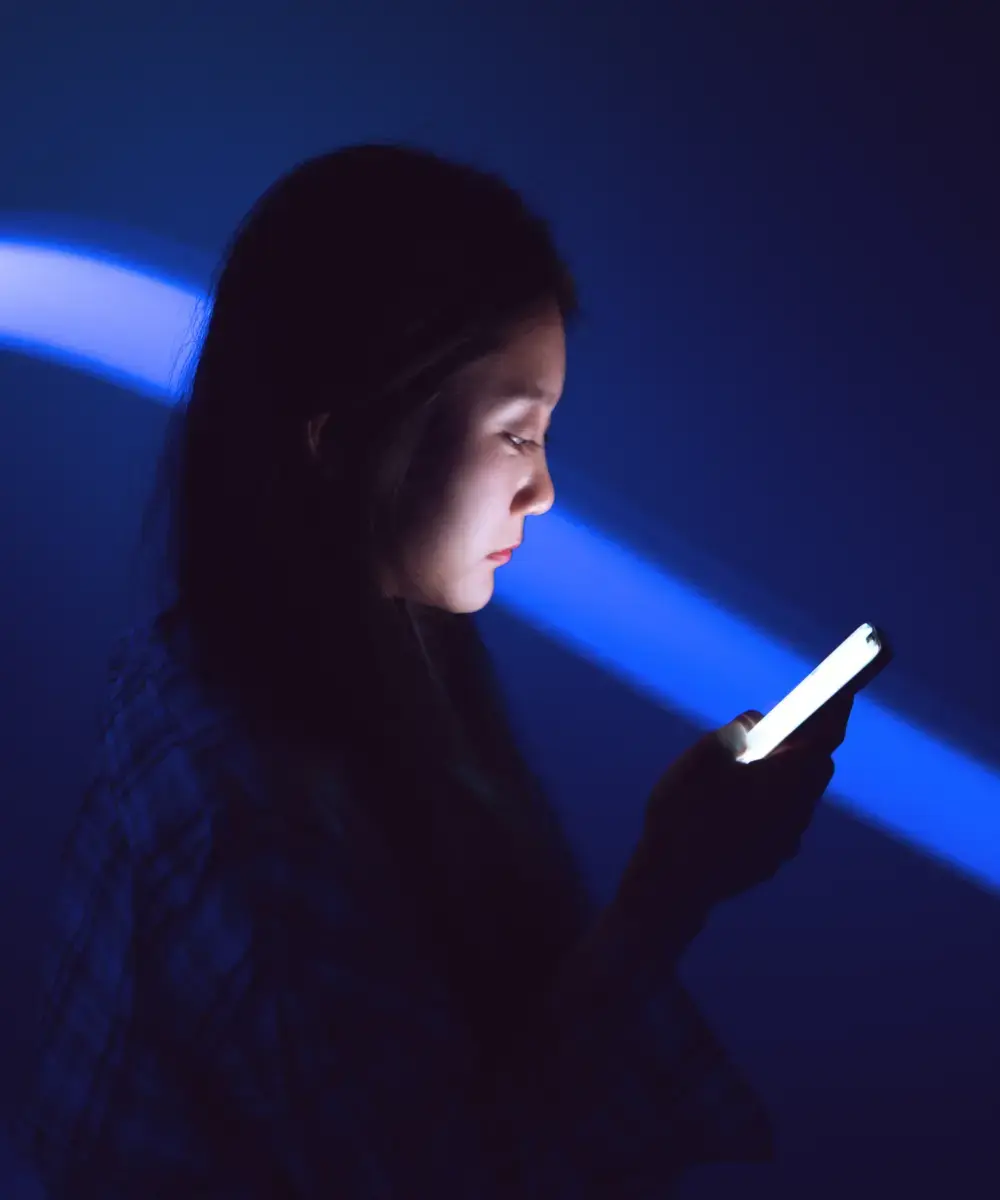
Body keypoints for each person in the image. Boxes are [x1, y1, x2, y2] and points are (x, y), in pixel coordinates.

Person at [13, 142, 854, 1198]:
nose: (543, 490)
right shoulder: (242, 817)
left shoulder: (359, 667)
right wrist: (668, 887)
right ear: (345, 434)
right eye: (517, 434)